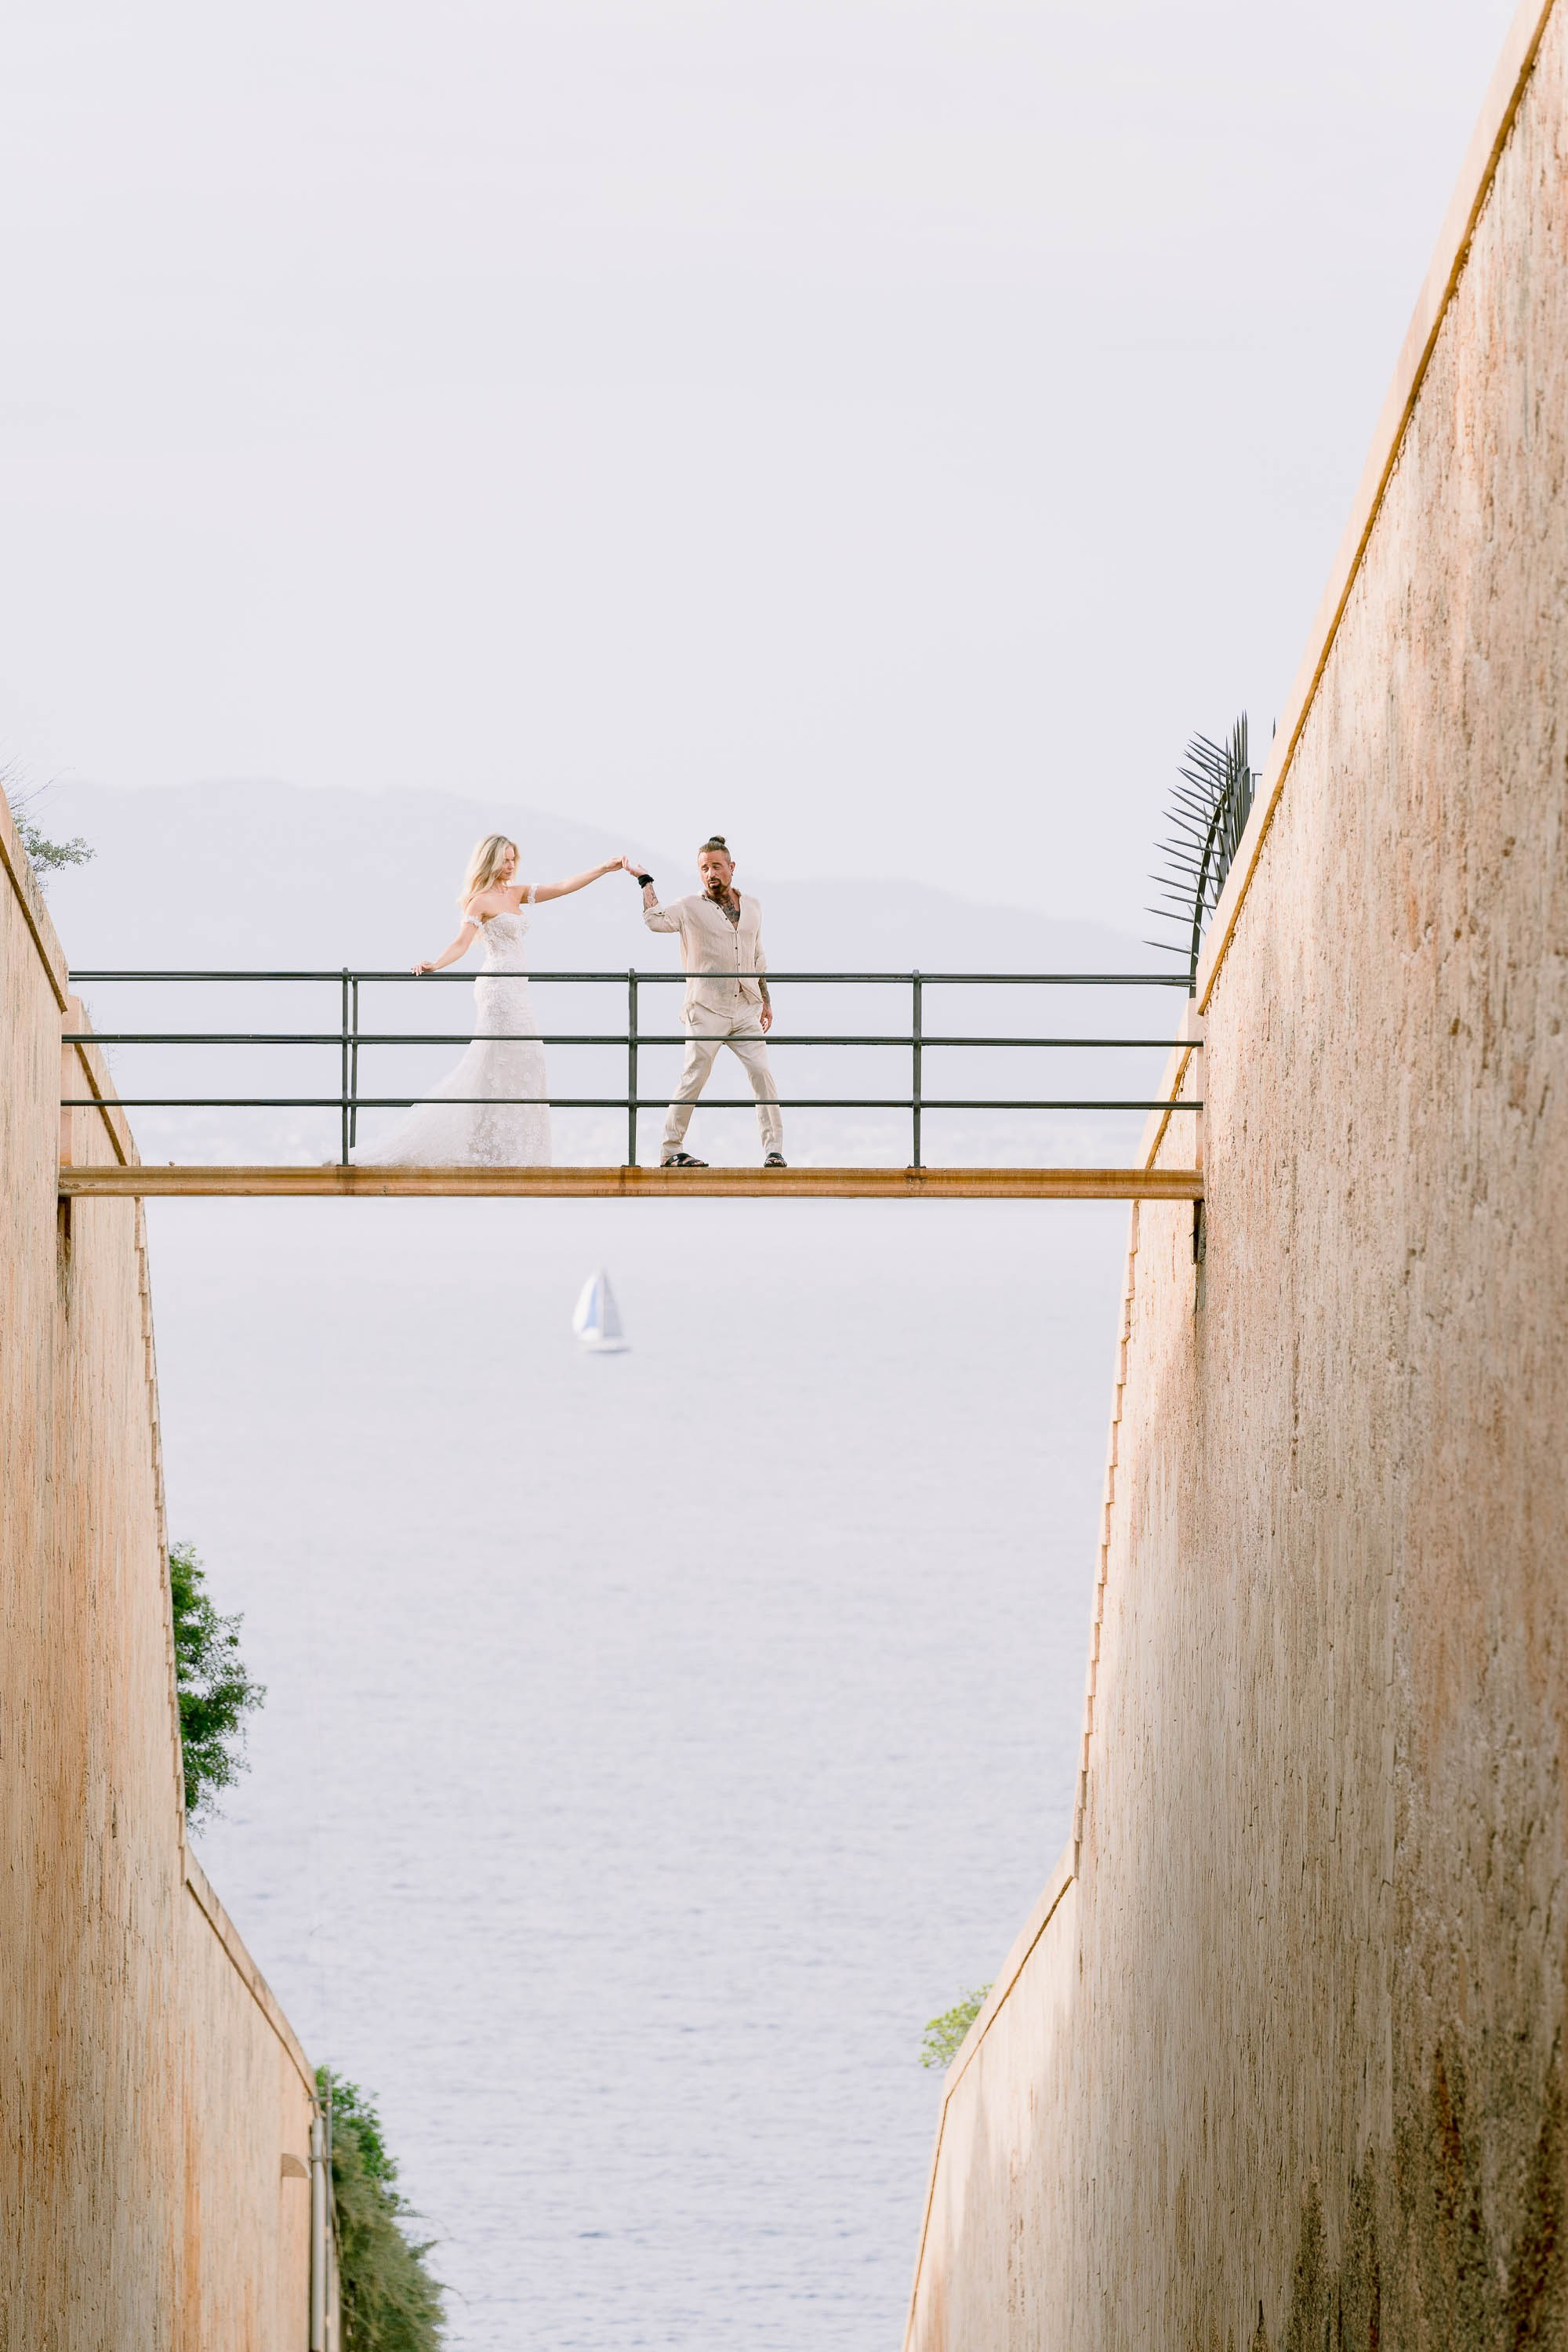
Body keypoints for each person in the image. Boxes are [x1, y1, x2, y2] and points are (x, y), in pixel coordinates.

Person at [352, 833, 630, 1167]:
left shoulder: (516, 893)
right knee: (495, 1060)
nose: (511, 865)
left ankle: (511, 1150)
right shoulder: (479, 901)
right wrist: (435, 964)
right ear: (490, 860)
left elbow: (563, 886)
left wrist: (603, 868)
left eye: (514, 859)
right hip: (498, 987)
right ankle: (481, 1146)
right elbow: (461, 943)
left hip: (518, 988)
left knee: (527, 1060)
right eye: (505, 859)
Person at [633, 835, 786, 1168]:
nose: (711, 873)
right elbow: (655, 920)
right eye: (704, 868)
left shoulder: (754, 906)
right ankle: (670, 1150)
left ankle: (774, 1150)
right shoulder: (689, 906)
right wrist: (645, 880)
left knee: (762, 1074)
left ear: (732, 867)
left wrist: (766, 1001)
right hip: (706, 1008)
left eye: (716, 866)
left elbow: (758, 958)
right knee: (694, 1074)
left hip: (746, 1006)